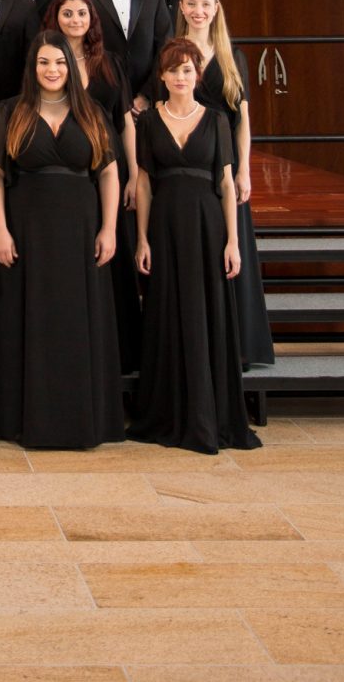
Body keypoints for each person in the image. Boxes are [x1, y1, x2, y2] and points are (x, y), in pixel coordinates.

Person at [0, 36, 124, 450]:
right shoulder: (10, 111)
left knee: (77, 321)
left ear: (70, 67)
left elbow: (110, 174)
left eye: (59, 62)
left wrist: (109, 228)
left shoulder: (92, 111)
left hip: (80, 232)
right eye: (43, 62)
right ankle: (24, 419)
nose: (52, 69)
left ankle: (82, 417)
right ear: (33, 67)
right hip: (26, 232)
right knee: (26, 318)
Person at [130, 39, 261, 454]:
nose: (181, 77)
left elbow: (225, 184)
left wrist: (233, 242)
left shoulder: (218, 118)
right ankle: (170, 411)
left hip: (208, 227)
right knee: (166, 313)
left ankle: (210, 413)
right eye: (174, 71)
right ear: (162, 77)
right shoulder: (147, 122)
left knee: (208, 316)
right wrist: (143, 238)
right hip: (165, 226)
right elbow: (146, 185)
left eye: (188, 70)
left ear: (197, 76)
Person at [172, 0, 274, 368]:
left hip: (227, 165)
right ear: (181, 8)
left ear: (216, 9)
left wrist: (245, 170)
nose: (199, 11)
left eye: (206, 5)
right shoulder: (172, 53)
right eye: (191, 4)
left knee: (231, 251)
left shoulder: (234, 57)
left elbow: (243, 119)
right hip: (190, 162)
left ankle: (238, 346)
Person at [45, 0, 143, 373]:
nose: (74, 20)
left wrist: (132, 172)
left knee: (109, 251)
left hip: (106, 165)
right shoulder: (47, 62)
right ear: (56, 19)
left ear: (92, 19)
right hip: (65, 164)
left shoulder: (110, 63)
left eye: (81, 13)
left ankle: (114, 349)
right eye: (66, 13)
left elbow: (125, 121)